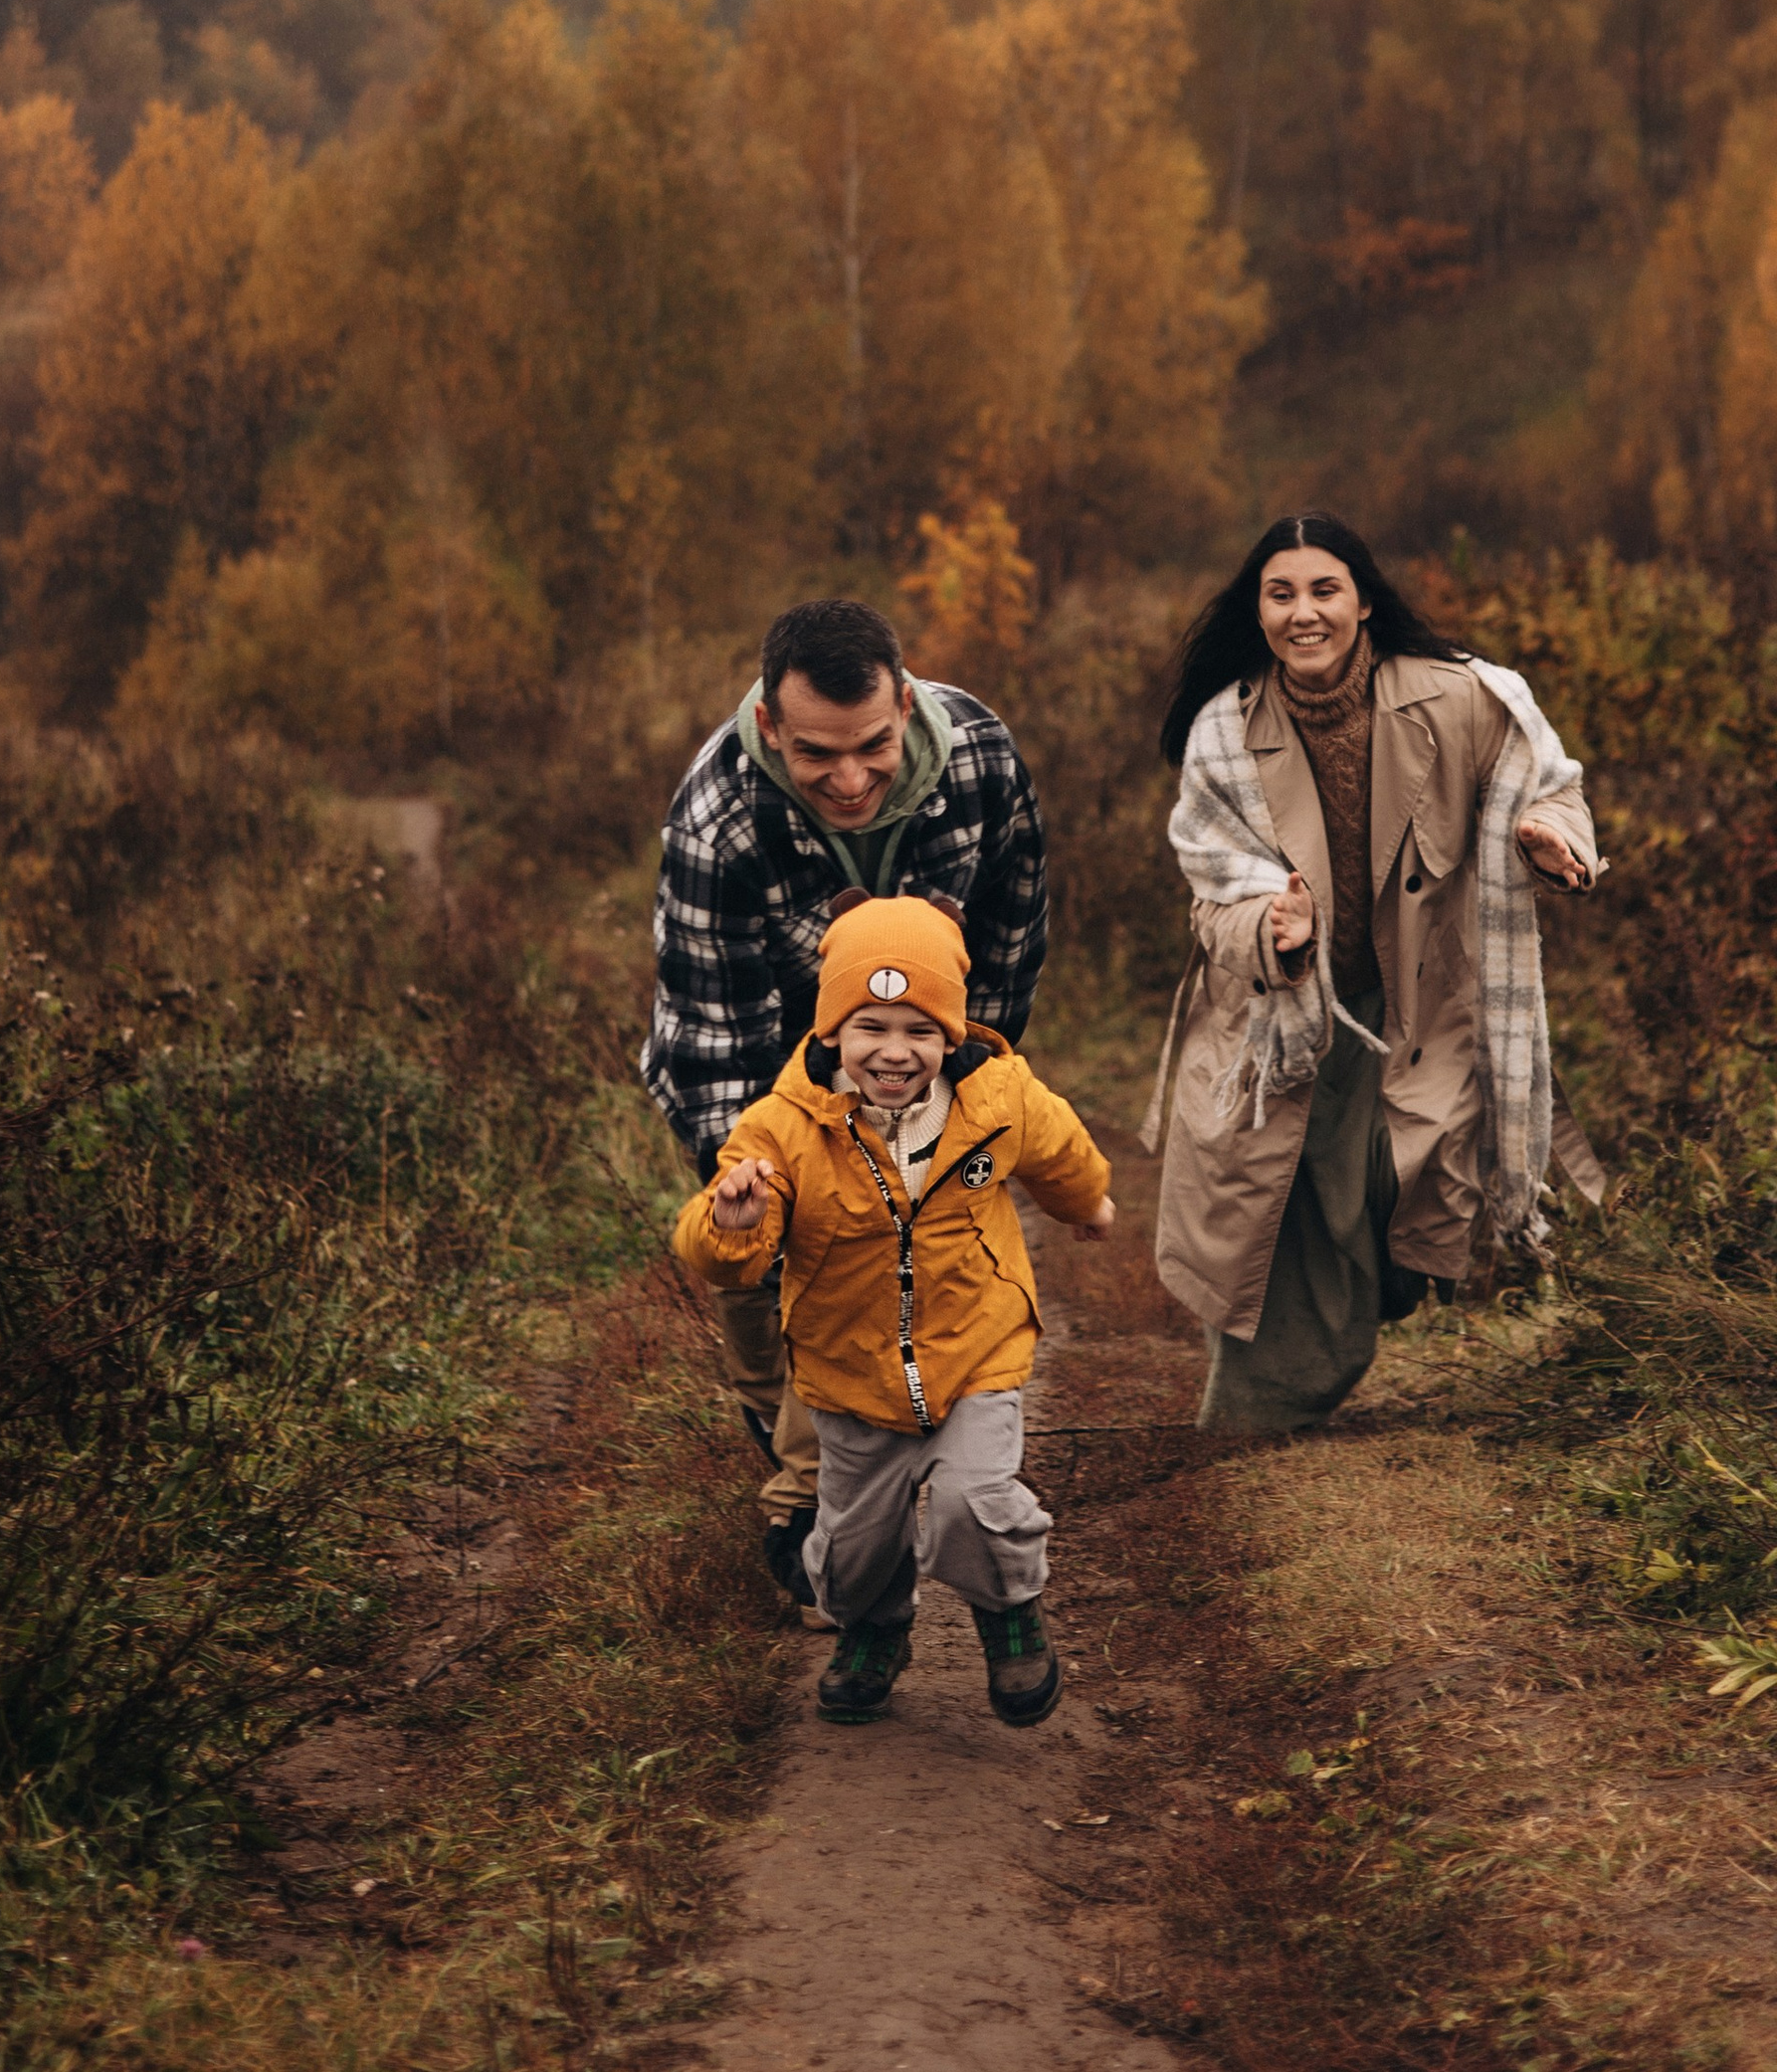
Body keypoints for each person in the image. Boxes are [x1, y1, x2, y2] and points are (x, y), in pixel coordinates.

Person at [1144, 511, 1601, 1433]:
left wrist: (1551, 837)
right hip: (1281, 1024)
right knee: (1284, 1215)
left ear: (1361, 602)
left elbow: (1548, 779)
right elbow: (1210, 897)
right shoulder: (1222, 733)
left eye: (1324, 591)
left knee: (1401, 1188)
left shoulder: (1458, 698)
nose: (1303, 614)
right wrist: (1267, 927)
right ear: (1258, 609)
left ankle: (1369, 1297)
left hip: (1421, 1008)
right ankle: (1252, 1422)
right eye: (1282, 594)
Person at [644, 595, 1049, 1596]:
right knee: (766, 1276)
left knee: (908, 1252)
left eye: (870, 746)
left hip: (919, 1051)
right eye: (818, 754)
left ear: (904, 706)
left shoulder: (981, 759)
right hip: (761, 1062)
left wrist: (964, 1093)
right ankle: (803, 1460)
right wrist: (761, 1183)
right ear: (772, 726)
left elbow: (1005, 947)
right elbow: (715, 1033)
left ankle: (832, 1492)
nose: (850, 777)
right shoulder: (719, 816)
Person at [674, 893, 1113, 1726]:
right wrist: (731, 1225)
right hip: (848, 1370)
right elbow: (722, 1245)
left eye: (919, 1029)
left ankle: (1010, 1613)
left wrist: (1089, 1204)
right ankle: (875, 1629)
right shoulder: (783, 1127)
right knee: (852, 1548)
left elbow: (1061, 1151)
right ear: (832, 1032)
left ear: (950, 1034)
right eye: (870, 1027)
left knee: (972, 1504)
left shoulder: (997, 1098)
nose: (895, 1051)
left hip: (975, 1350)